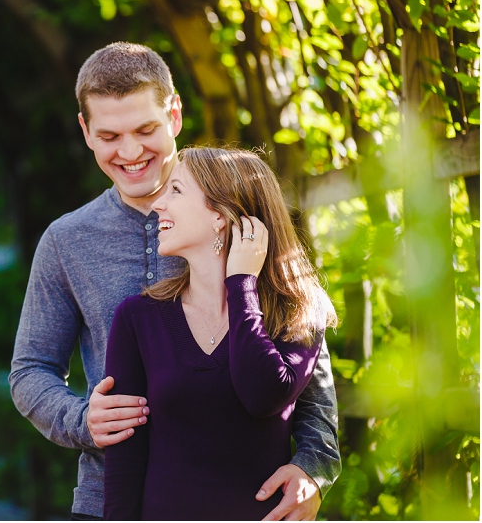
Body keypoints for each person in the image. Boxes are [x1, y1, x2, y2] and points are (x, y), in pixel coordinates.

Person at [9, 42, 341, 520]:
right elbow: (30, 371)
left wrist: (314, 467)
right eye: (109, 136)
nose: (129, 152)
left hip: (246, 500)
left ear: (175, 114)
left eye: (145, 129)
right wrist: (81, 418)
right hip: (108, 501)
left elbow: (308, 365)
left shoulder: (245, 216)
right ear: (85, 131)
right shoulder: (66, 241)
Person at [102, 146, 337, 519]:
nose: (159, 204)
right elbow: (124, 464)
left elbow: (263, 394)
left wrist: (241, 284)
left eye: (175, 190)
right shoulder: (137, 318)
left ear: (221, 216)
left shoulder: (298, 310)